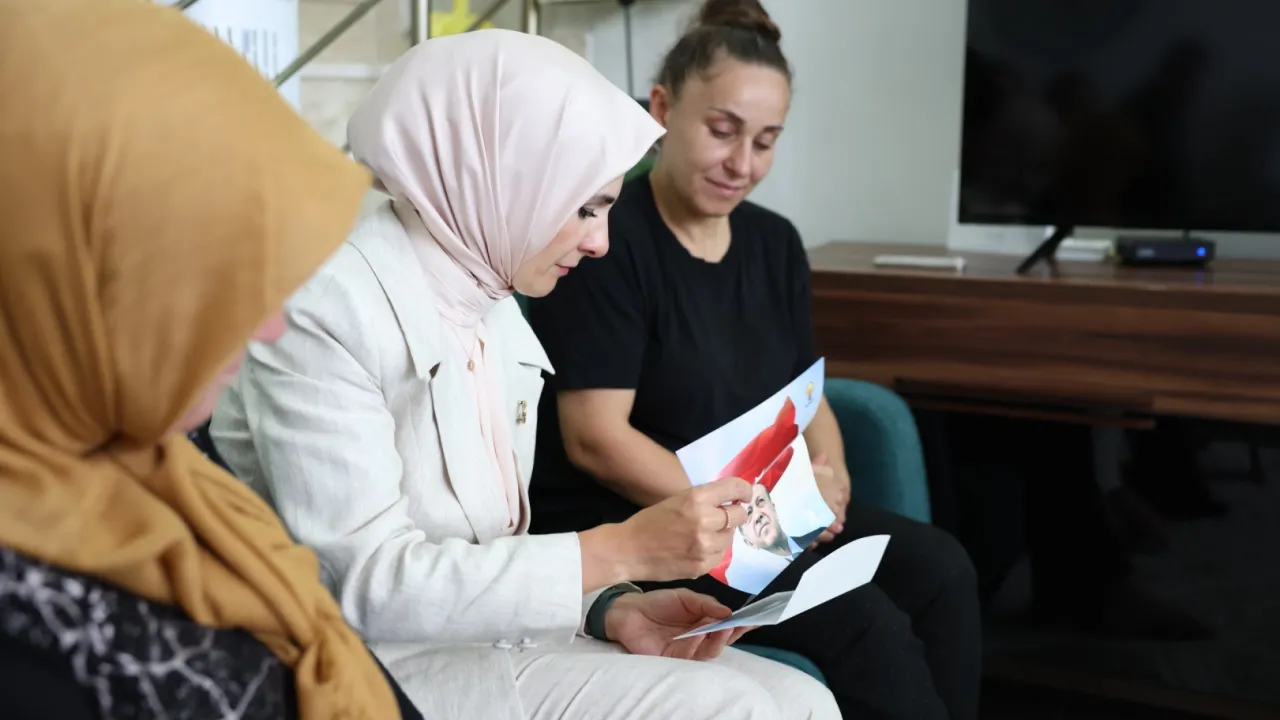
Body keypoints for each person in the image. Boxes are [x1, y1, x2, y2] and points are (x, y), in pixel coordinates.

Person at [210, 28, 840, 720]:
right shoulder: (324, 311)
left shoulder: (493, 303)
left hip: (488, 641)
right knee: (738, 709)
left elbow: (489, 551)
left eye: (606, 208)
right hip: (377, 667)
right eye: (585, 208)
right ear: (500, 179)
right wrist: (619, 551)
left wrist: (608, 607)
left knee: (804, 701)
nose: (600, 242)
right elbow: (365, 585)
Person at [526, 1, 983, 718]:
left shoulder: (774, 243)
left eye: (765, 142)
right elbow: (595, 439)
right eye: (722, 131)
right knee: (868, 625)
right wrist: (747, 518)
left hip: (764, 512)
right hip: (651, 517)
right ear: (662, 110)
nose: (743, 164)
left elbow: (808, 390)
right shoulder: (607, 240)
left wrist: (831, 477)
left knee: (943, 570)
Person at [0, 1, 420, 718]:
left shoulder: (157, 462)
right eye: (207, 278)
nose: (267, 326)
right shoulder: (26, 637)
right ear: (66, 270)